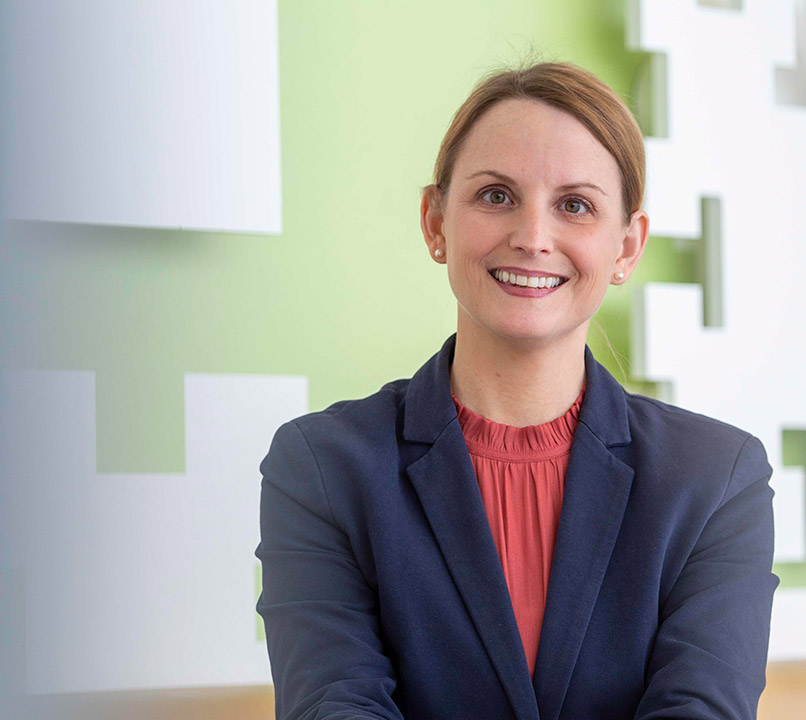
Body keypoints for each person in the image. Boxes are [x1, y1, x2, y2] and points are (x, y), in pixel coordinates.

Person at [255, 61, 778, 720]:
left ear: (626, 247)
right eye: (497, 195)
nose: (532, 237)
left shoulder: (716, 479)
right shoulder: (322, 467)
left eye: (575, 205)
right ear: (435, 221)